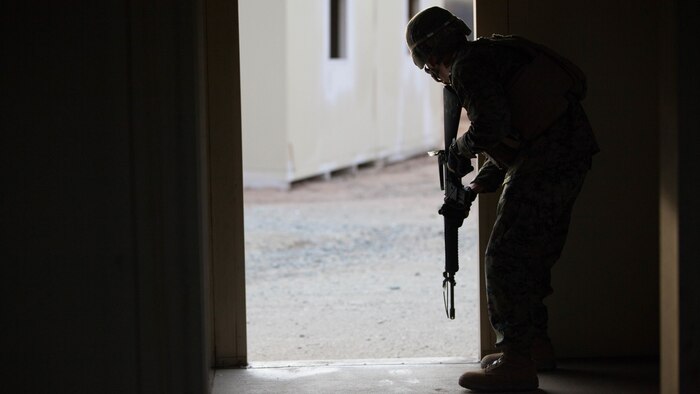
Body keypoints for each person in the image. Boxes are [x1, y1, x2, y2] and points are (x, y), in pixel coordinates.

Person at [406, 6, 599, 392]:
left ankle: (516, 361)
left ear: (429, 59)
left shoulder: (466, 66)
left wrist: (457, 152)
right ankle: (534, 347)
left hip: (546, 159)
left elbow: (491, 126)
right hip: (565, 152)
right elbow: (513, 134)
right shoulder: (490, 53)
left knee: (506, 256)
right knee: (533, 254)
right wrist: (474, 187)